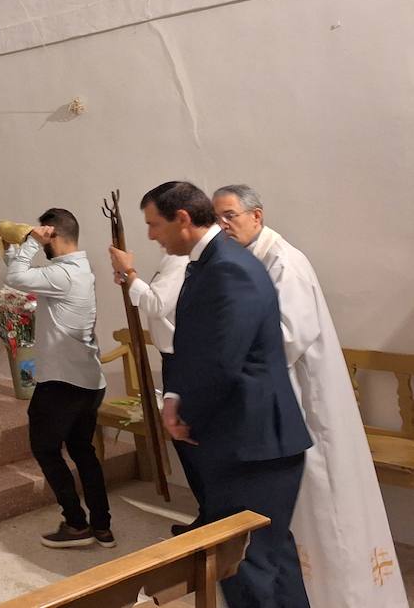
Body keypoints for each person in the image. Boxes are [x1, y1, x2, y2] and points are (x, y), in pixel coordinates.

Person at [213, 184, 403, 608]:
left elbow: (289, 336)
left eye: (231, 215)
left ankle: (339, 596)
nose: (223, 225)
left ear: (256, 216)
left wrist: (225, 348)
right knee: (295, 509)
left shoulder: (285, 263)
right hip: (280, 401)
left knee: (324, 500)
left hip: (307, 403)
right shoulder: (250, 258)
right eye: (218, 217)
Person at [139, 181, 311, 608]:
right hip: (243, 436)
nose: (150, 235)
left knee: (245, 563)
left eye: (154, 224)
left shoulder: (228, 267)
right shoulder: (207, 263)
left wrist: (182, 412)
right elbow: (196, 344)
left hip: (255, 441)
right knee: (267, 557)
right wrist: (175, 395)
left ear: (182, 219)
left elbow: (224, 360)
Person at [4, 209, 113, 549]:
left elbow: (17, 279)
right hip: (88, 380)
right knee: (82, 450)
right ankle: (102, 526)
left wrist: (28, 247)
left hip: (63, 383)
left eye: (43, 235)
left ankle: (76, 524)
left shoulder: (62, 275)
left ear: (52, 234)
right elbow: (22, 276)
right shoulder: (77, 271)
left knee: (45, 448)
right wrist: (15, 248)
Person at [106, 246, 199, 532]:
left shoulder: (182, 258)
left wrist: (131, 273)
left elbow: (157, 303)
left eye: (155, 224)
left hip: (182, 358)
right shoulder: (176, 257)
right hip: (176, 357)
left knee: (191, 441)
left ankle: (213, 518)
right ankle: (208, 514)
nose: (152, 235)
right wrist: (130, 279)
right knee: (187, 443)